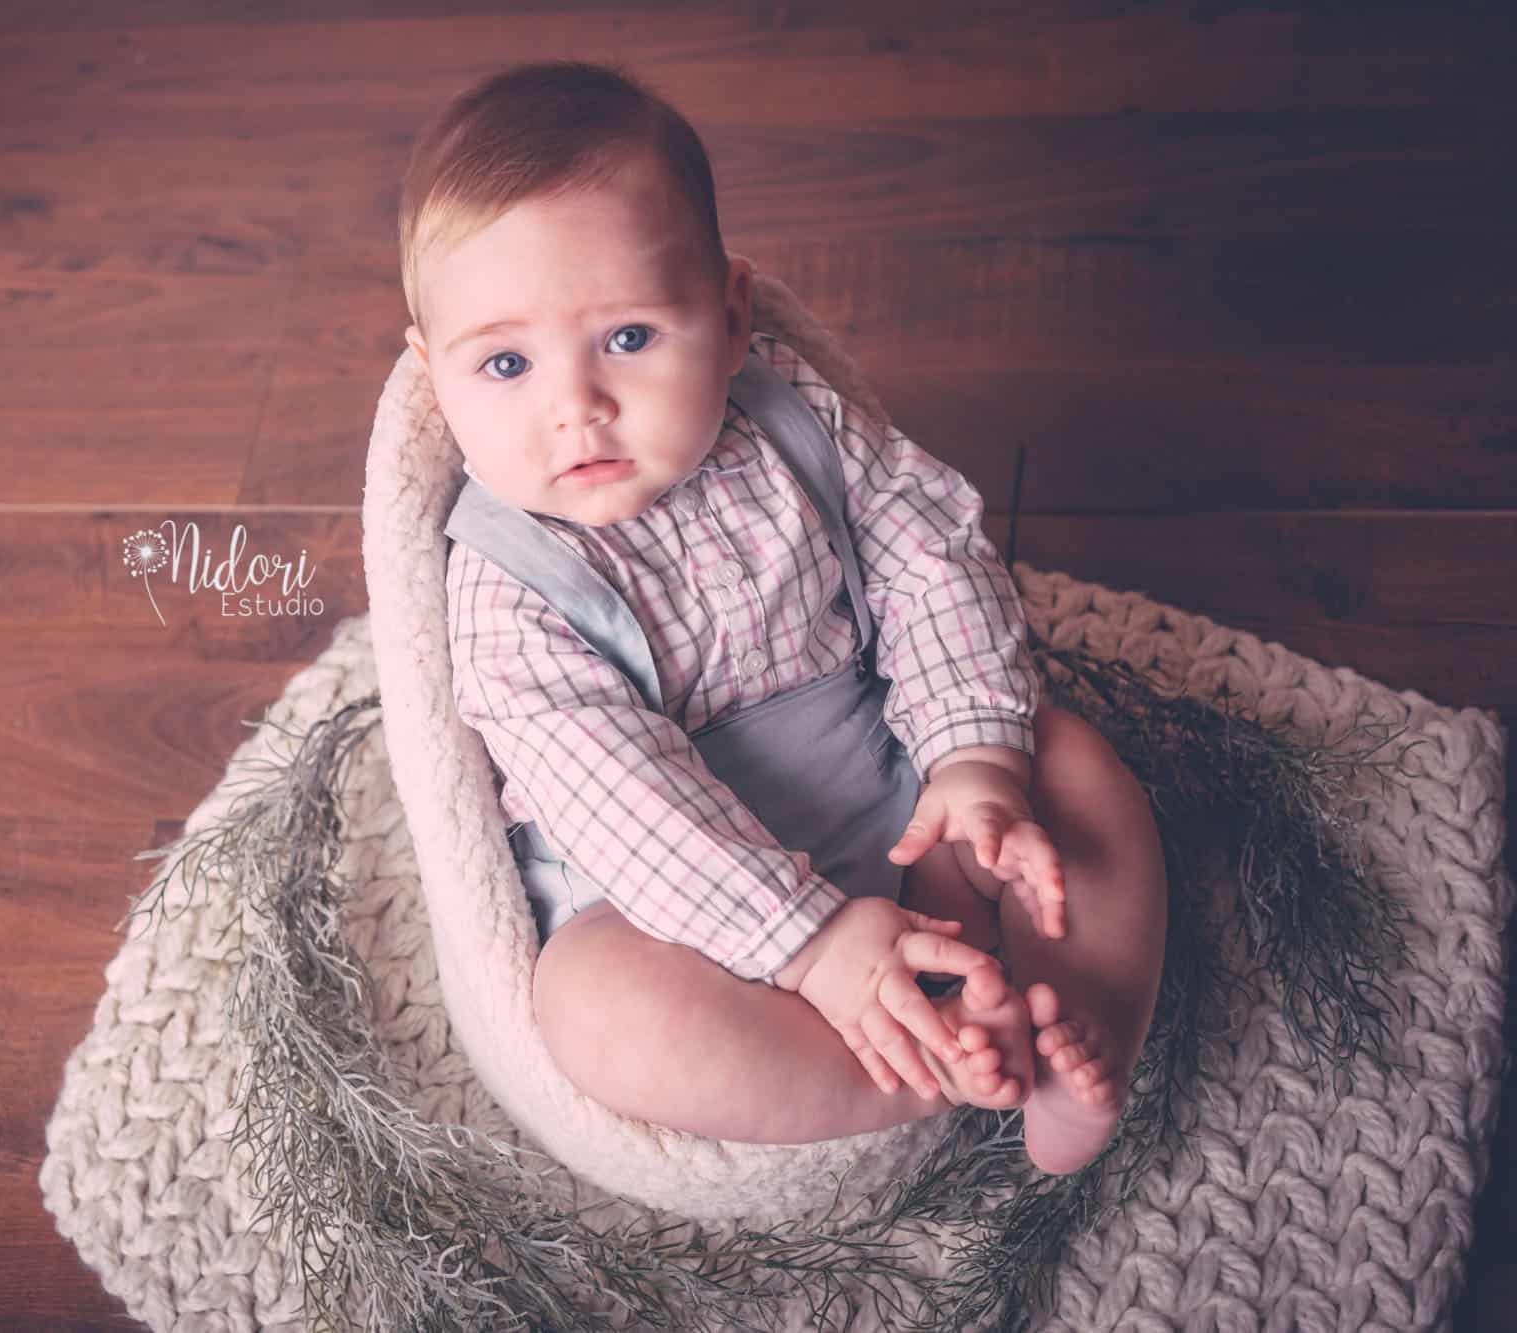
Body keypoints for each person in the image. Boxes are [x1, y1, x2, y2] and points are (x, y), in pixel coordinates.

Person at [399, 60, 1168, 1176]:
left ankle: (1076, 1018)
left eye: (627, 337)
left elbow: (927, 554)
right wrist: (808, 943)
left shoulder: (788, 418)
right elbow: (621, 800)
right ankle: (918, 1067)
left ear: (728, 313)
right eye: (506, 363)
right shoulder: (507, 576)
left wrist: (971, 761)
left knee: (1070, 765)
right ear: (436, 377)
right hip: (697, 918)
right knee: (592, 1009)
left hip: (906, 810)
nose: (575, 405)